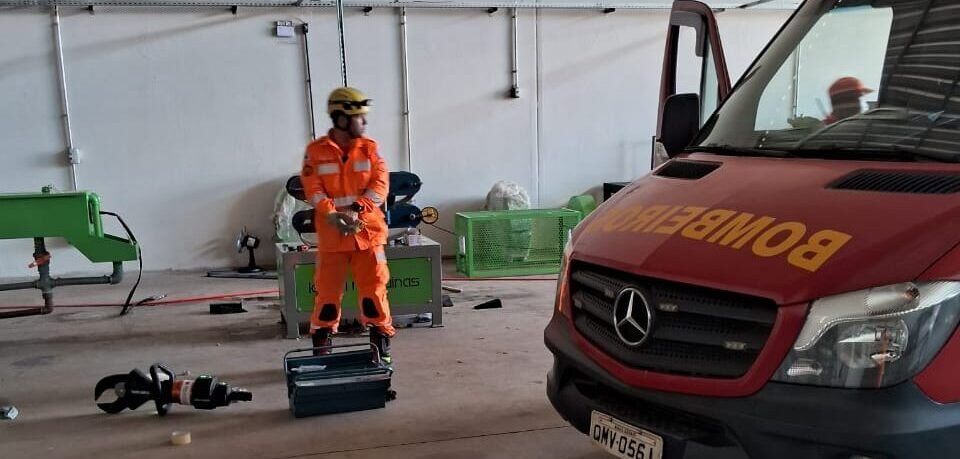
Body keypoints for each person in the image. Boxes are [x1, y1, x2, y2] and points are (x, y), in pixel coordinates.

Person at [299, 87, 395, 364]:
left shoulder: (370, 149)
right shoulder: (315, 152)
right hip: (332, 238)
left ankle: (380, 349)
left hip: (368, 234)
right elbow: (312, 188)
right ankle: (322, 350)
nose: (364, 123)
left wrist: (356, 210)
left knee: (374, 292)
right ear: (341, 119)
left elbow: (380, 186)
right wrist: (330, 213)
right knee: (327, 295)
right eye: (359, 118)